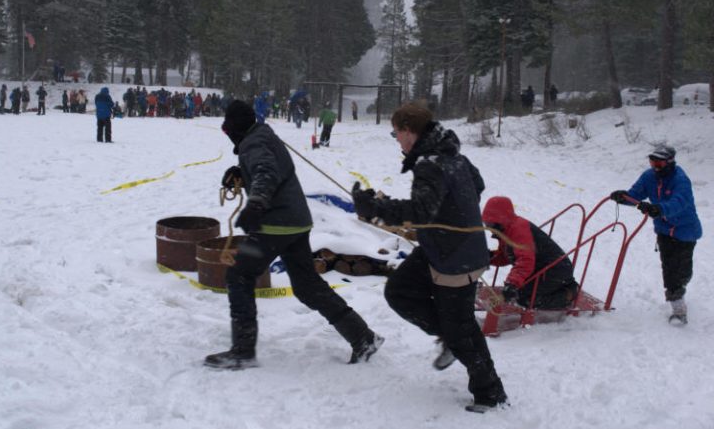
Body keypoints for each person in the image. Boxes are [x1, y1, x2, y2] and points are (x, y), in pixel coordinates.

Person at [204, 100, 383, 370]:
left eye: (227, 129)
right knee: (307, 286)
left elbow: (266, 172)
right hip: (296, 224)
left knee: (239, 276)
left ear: (235, 128)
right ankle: (362, 337)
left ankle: (242, 351)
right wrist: (241, 172)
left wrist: (255, 204)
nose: (227, 134)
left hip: (273, 227)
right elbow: (268, 167)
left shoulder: (254, 143)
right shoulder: (262, 135)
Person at [351, 103, 507, 413]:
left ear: (409, 131)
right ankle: (450, 334)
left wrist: (375, 209)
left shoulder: (432, 163)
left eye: (397, 133)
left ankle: (490, 393)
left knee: (460, 328)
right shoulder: (450, 154)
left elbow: (422, 211)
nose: (397, 139)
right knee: (399, 291)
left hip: (456, 258)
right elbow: (476, 185)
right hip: (442, 247)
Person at [610, 145, 701, 324]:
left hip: (685, 231)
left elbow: (679, 202)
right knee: (670, 268)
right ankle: (678, 308)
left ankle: (681, 285)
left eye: (658, 163)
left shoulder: (680, 179)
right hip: (664, 231)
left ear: (669, 162)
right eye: (652, 162)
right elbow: (636, 194)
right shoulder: (649, 176)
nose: (655, 167)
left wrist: (659, 208)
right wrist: (624, 197)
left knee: (682, 270)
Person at [481, 196, 579, 309]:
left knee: (526, 299)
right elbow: (508, 256)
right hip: (538, 269)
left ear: (500, 220)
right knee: (519, 293)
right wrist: (488, 257)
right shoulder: (506, 229)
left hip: (555, 269)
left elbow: (525, 261)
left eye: (490, 224)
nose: (488, 228)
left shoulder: (518, 229)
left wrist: (511, 285)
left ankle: (568, 294)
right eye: (486, 223)